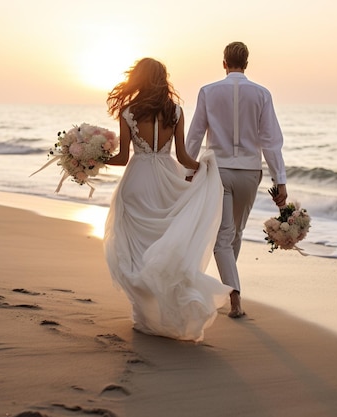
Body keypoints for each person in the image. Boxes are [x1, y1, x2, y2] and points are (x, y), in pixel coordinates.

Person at [103, 58, 232, 342]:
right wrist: (206, 169)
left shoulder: (128, 111)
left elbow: (123, 158)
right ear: (163, 79)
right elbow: (184, 157)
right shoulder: (175, 111)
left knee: (135, 250)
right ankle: (164, 312)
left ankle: (144, 314)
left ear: (137, 79)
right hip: (166, 178)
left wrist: (95, 159)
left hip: (137, 181)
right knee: (164, 246)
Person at [186, 41, 287, 318]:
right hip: (249, 172)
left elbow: (195, 134)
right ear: (246, 62)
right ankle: (233, 295)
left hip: (218, 170)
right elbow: (271, 141)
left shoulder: (207, 91)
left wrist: (188, 170)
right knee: (234, 233)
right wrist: (281, 180)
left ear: (223, 62)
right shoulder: (262, 94)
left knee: (225, 236)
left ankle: (234, 296)